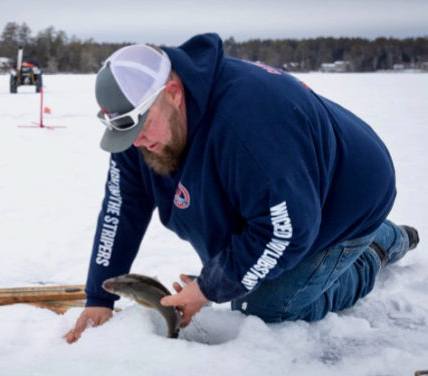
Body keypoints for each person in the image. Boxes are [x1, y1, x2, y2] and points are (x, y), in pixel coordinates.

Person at [64, 33, 419, 344]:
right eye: (127, 133)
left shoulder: (248, 123)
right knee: (239, 272)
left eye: (142, 126)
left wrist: (207, 288)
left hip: (346, 200)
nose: (137, 141)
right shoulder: (140, 134)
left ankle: (374, 247)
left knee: (263, 309)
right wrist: (98, 297)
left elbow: (286, 231)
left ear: (172, 93)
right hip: (283, 189)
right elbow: (121, 212)